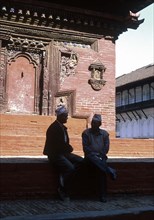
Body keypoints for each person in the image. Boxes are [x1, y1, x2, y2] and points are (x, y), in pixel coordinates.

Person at [43, 105, 83, 201]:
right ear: (60, 116)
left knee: (81, 161)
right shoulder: (54, 128)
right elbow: (58, 145)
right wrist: (69, 148)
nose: (67, 118)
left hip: (63, 153)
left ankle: (67, 177)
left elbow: (64, 144)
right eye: (65, 116)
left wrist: (68, 149)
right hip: (55, 154)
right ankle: (62, 188)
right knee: (70, 168)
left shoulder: (61, 127)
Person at [82, 114, 117, 202]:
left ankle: (103, 195)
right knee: (98, 164)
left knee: (101, 171)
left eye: (96, 123)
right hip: (90, 158)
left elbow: (106, 148)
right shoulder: (86, 133)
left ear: (100, 124)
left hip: (101, 158)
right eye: (93, 123)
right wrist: (94, 155)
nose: (93, 125)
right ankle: (109, 170)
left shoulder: (105, 134)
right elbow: (86, 148)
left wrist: (100, 155)